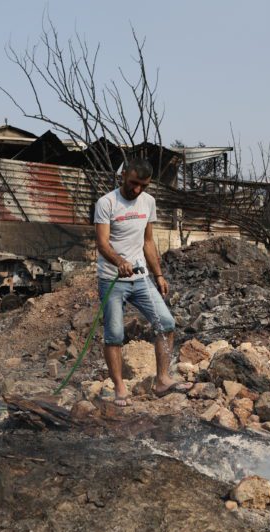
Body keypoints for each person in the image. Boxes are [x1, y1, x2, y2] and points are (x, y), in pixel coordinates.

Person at [94, 158, 193, 407]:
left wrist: (158, 274)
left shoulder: (148, 202)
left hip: (141, 279)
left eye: (143, 186)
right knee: (114, 334)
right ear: (123, 175)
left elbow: (148, 241)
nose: (137, 190)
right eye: (133, 183)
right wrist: (119, 262)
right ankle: (119, 387)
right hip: (112, 278)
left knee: (166, 323)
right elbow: (102, 243)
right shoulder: (106, 203)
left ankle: (162, 379)